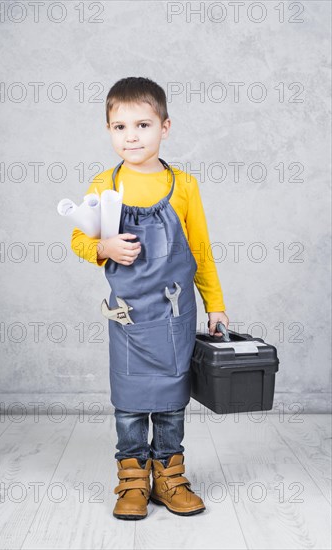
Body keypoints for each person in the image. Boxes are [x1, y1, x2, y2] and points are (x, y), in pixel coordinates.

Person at [71, 76, 229, 520]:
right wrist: (103, 248)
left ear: (165, 126)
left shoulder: (183, 186)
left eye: (142, 125)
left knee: (171, 403)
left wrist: (215, 303)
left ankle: (170, 476)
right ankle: (133, 480)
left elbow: (200, 250)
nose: (131, 136)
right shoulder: (106, 183)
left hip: (174, 316)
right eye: (119, 127)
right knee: (129, 404)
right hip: (129, 320)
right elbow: (79, 239)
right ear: (108, 131)